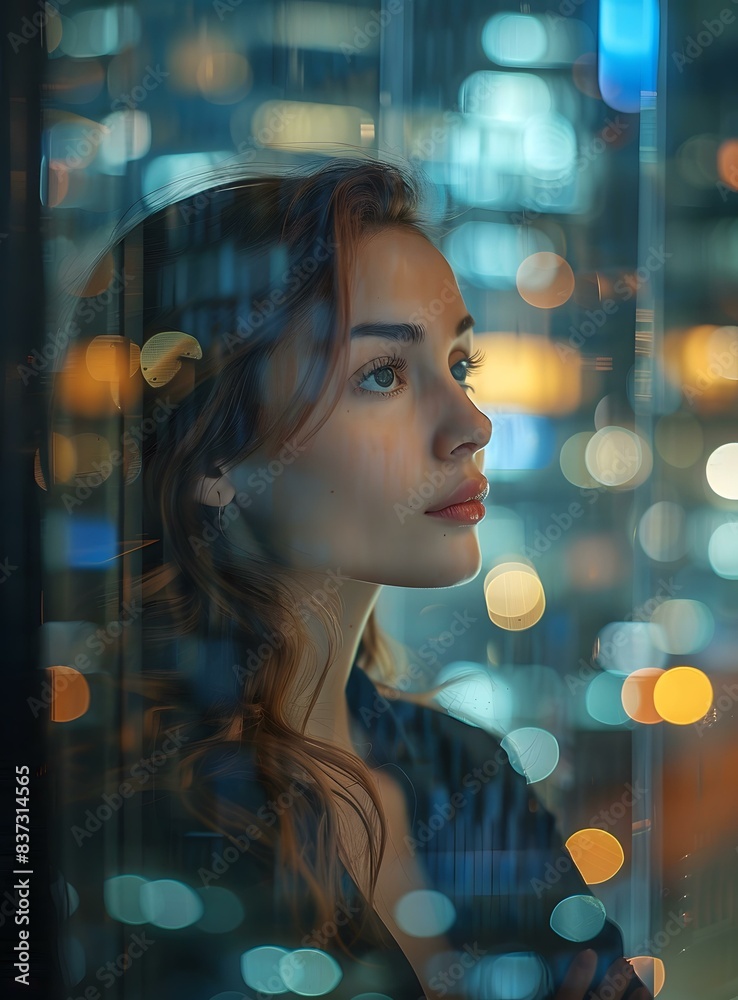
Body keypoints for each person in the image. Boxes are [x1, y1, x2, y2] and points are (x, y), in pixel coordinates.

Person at [104, 156, 652, 999]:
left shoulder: (465, 770)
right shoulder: (129, 814)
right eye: (384, 375)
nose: (472, 423)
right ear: (216, 453)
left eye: (460, 365)